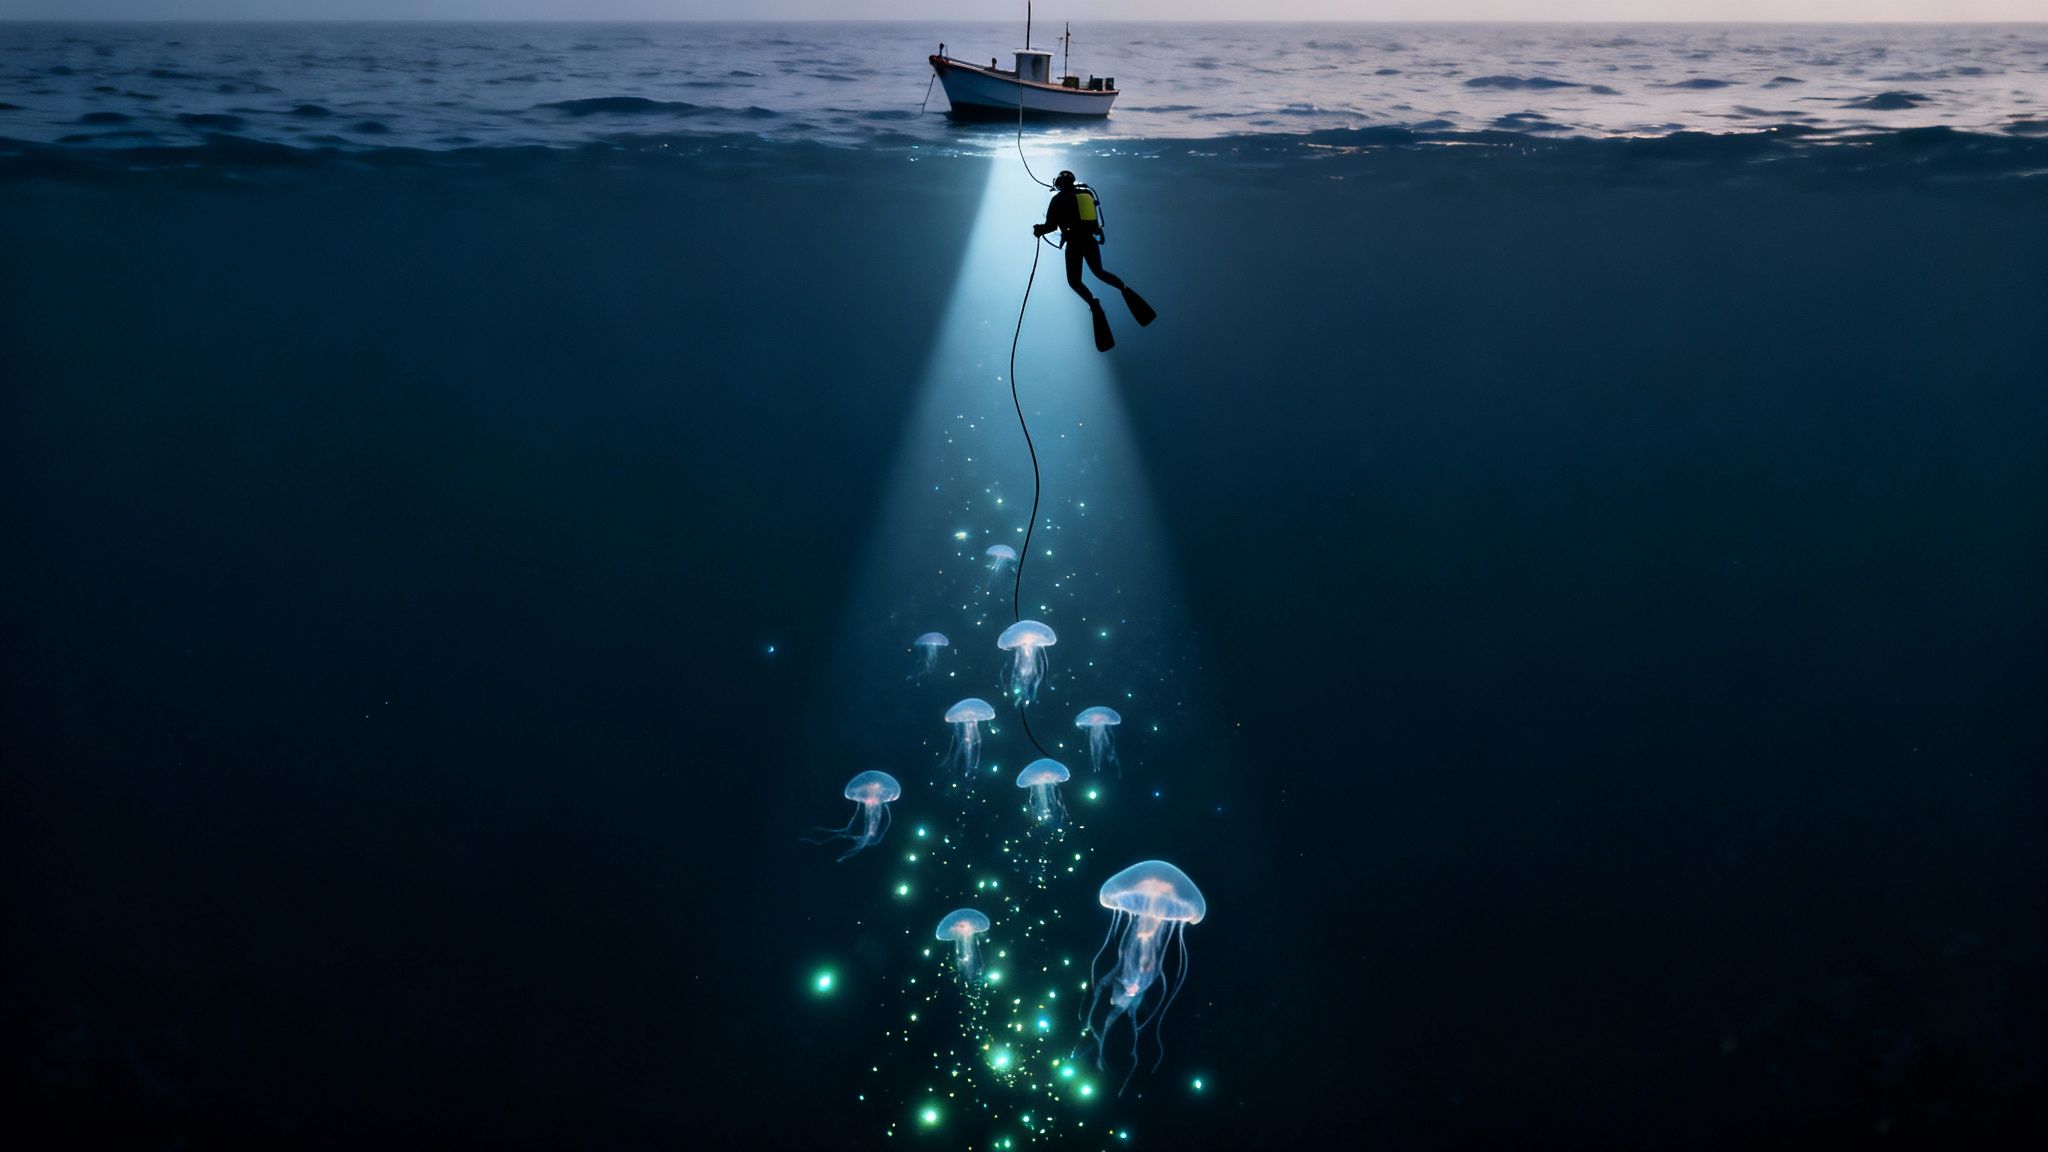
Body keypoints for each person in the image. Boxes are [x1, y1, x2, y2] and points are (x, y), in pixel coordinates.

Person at [1032, 170, 1154, 351]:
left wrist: (1039, 229)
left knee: (1074, 282)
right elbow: (1096, 221)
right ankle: (1124, 289)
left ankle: (1094, 304)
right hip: (1090, 241)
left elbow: (1051, 226)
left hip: (1074, 243)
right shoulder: (1086, 194)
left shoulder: (1058, 200)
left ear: (1059, 183)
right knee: (1099, 272)